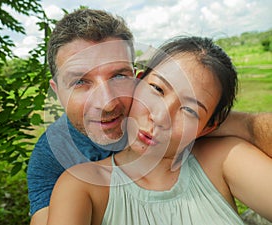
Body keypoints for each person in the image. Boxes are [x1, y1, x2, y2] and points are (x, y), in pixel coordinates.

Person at [27, 8, 272, 224]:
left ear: (137, 78)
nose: (105, 102)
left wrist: (240, 125)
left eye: (119, 76)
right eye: (80, 81)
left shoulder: (216, 155)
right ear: (57, 92)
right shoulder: (55, 163)